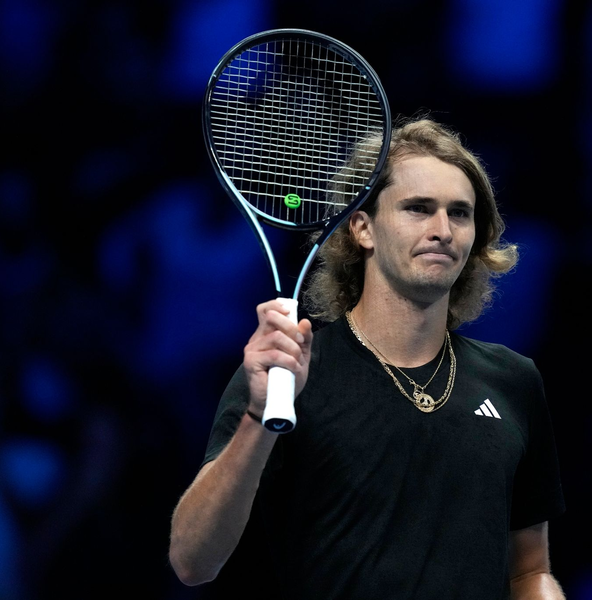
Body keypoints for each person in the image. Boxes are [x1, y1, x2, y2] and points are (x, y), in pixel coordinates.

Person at [169, 117, 566, 599]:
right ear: (362, 228)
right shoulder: (290, 372)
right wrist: (259, 415)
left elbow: (529, 572)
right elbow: (193, 560)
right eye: (418, 209)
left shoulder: (513, 380)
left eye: (460, 213)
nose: (443, 229)